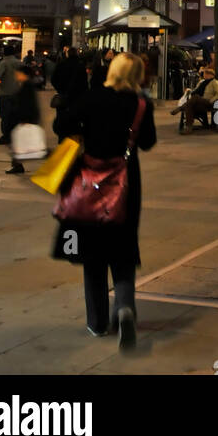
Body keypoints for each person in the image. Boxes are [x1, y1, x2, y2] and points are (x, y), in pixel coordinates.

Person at [53, 53, 156, 351]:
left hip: (89, 182)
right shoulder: (140, 103)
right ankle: (124, 308)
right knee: (123, 250)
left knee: (93, 253)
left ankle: (97, 323)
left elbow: (62, 125)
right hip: (126, 183)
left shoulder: (91, 98)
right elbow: (147, 142)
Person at [6, 63, 42, 175]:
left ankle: (17, 165)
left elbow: (28, 104)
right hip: (25, 119)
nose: (16, 75)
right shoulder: (26, 85)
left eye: (18, 73)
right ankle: (17, 164)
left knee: (19, 142)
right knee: (19, 142)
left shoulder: (27, 86)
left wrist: (25, 119)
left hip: (25, 119)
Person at [0, 45, 22, 146]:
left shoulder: (4, 63)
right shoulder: (19, 63)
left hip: (5, 93)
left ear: (4, 53)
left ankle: (6, 136)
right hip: (18, 93)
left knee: (5, 116)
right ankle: (16, 136)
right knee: (15, 116)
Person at [180, 67, 218, 132]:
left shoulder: (215, 82)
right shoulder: (202, 82)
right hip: (199, 103)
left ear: (210, 74)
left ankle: (182, 107)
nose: (204, 75)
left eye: (205, 74)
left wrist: (211, 100)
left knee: (195, 97)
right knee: (189, 106)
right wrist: (190, 91)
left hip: (208, 102)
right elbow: (196, 90)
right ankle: (188, 127)